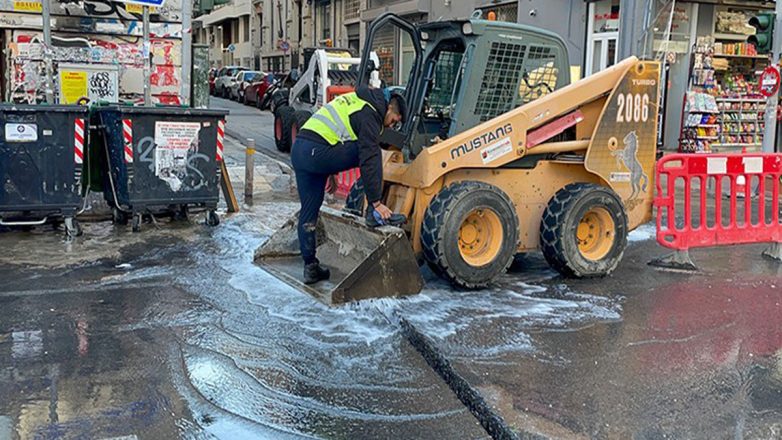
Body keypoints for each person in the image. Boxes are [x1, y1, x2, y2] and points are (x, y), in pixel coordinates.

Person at [291, 87, 407, 284]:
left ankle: (310, 266)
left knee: (309, 211)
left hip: (301, 151)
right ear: (388, 108)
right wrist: (376, 202)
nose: (391, 126)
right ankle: (372, 212)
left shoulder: (355, 100)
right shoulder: (370, 112)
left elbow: (331, 133)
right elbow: (368, 157)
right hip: (317, 152)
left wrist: (331, 171)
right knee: (371, 151)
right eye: (394, 120)